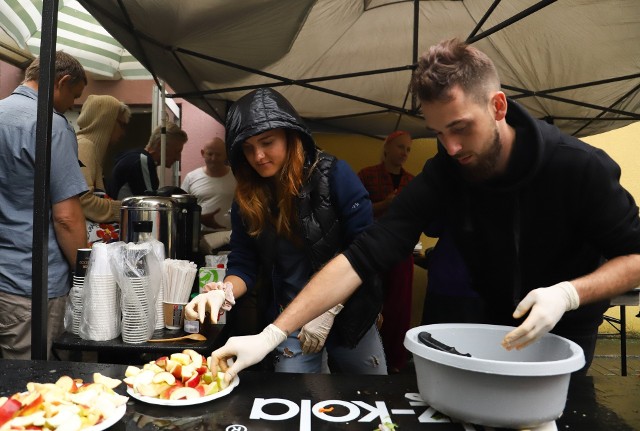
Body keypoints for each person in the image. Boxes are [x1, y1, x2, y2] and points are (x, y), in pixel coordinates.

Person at [211, 38, 640, 381]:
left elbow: (635, 256)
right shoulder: (446, 171)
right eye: (437, 132)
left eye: (460, 128)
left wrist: (567, 294)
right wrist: (271, 336)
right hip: (485, 317)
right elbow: (364, 254)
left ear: (498, 106)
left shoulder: (578, 166)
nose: (451, 147)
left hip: (566, 324)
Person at [186, 87, 387, 374]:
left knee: (366, 396)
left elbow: (366, 249)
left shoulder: (334, 175)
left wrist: (330, 307)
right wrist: (224, 290)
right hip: (286, 319)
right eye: (248, 147)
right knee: (291, 401)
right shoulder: (246, 194)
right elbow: (245, 262)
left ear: (290, 136)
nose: (258, 156)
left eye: (267, 142)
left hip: (351, 312)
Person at [0, 51, 88, 359]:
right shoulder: (50, 125)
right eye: (74, 96)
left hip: (4, 273)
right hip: (31, 283)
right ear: (62, 82)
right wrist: (86, 270)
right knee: (28, 386)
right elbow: (66, 218)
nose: (73, 104)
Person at [357, 130, 414, 373]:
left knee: (399, 308)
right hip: (372, 248)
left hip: (401, 252)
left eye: (408, 149)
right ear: (388, 147)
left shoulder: (412, 181)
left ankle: (396, 362)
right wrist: (386, 204)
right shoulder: (367, 175)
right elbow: (357, 212)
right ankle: (369, 360)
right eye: (401, 147)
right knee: (370, 304)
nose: (404, 153)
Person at [76, 95, 130, 244]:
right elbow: (83, 201)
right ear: (106, 121)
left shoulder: (87, 147)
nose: (123, 133)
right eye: (122, 125)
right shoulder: (84, 146)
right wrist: (123, 209)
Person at [181, 136, 236, 254]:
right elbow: (181, 210)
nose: (214, 158)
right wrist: (201, 218)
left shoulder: (237, 177)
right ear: (202, 153)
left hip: (230, 240)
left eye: (218, 154)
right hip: (200, 240)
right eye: (210, 154)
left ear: (226, 154)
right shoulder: (191, 177)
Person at [107, 122, 188, 199]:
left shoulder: (134, 157)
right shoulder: (141, 160)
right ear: (161, 145)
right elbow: (150, 204)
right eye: (177, 151)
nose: (178, 158)